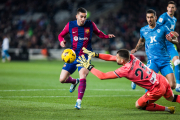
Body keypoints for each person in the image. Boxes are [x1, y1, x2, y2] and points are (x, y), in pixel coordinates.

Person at [77, 48, 180, 114]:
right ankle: (170, 108)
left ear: (122, 60)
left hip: (156, 88)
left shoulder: (125, 70)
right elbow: (111, 57)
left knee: (139, 105)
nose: (115, 59)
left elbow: (102, 76)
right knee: (171, 97)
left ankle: (167, 109)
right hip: (161, 79)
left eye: (117, 58)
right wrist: (94, 54)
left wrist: (89, 67)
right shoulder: (131, 57)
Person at [58, 7, 115, 109]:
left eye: (85, 17)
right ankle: (75, 81)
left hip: (85, 56)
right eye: (81, 17)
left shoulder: (90, 24)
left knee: (83, 75)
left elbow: (99, 33)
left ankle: (78, 102)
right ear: (77, 16)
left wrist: (106, 36)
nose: (83, 19)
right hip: (73, 56)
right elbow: (61, 35)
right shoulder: (70, 25)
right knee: (62, 79)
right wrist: (61, 41)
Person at [130, 9, 178, 91]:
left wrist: (171, 40)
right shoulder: (143, 30)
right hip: (153, 61)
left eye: (151, 17)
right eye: (148, 17)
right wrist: (136, 48)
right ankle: (146, 98)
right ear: (146, 18)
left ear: (155, 18)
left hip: (165, 61)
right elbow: (141, 41)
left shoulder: (163, 28)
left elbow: (176, 40)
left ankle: (149, 81)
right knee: (148, 83)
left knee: (172, 85)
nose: (149, 19)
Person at [157, 1, 180, 92]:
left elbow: (170, 33)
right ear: (167, 8)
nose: (170, 9)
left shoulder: (174, 19)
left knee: (177, 62)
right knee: (154, 66)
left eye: (172, 7)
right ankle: (136, 80)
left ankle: (178, 85)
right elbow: (157, 29)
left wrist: (172, 36)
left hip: (170, 44)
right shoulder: (163, 17)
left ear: (175, 9)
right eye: (169, 7)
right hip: (161, 44)